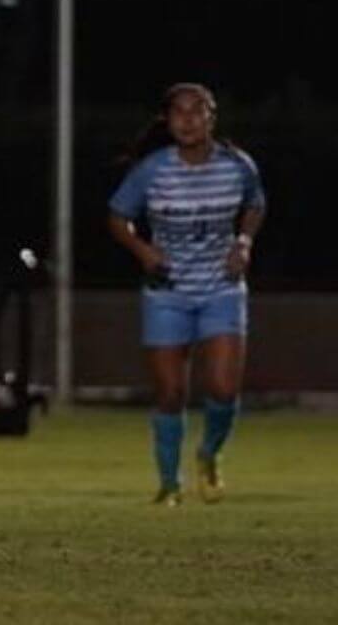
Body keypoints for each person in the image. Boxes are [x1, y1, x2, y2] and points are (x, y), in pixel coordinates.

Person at [107, 82, 266, 506]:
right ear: (167, 120)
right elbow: (117, 217)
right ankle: (169, 484)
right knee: (171, 392)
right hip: (168, 294)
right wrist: (142, 249)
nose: (188, 119)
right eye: (179, 112)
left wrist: (244, 243)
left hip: (221, 289)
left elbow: (255, 204)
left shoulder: (237, 166)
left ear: (212, 118)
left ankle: (209, 455)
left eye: (198, 111)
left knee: (222, 388)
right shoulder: (152, 171)